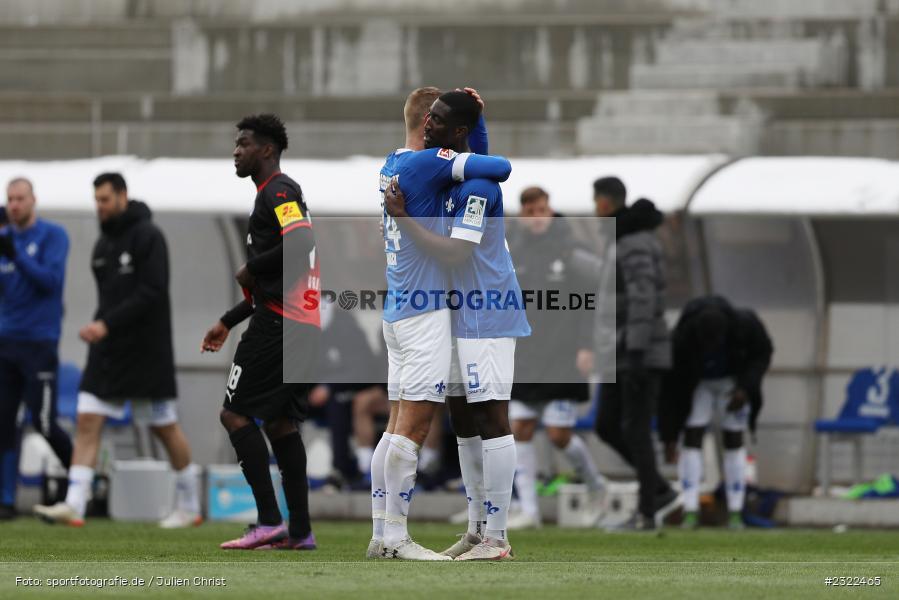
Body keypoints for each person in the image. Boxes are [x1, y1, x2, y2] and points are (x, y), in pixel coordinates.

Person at [385, 90, 527, 560]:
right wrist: (477, 112)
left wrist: (403, 220)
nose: (429, 124)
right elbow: (475, 150)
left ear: (458, 133)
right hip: (460, 311)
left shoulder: (479, 191)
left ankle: (497, 537)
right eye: (429, 116)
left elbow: (458, 252)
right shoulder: (455, 177)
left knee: (491, 416)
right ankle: (475, 529)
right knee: (464, 419)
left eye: (440, 121)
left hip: (487, 310)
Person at [34, 173, 200, 529]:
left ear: (123, 196)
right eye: (96, 200)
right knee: (87, 417)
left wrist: (107, 324)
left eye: (105, 199)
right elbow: (108, 298)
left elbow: (152, 291)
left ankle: (190, 504)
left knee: (164, 427)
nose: (100, 207)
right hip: (108, 350)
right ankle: (74, 503)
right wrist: (99, 326)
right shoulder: (102, 245)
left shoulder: (149, 236)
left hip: (145, 352)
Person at [201, 114, 321, 551]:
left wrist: (250, 266)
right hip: (298, 325)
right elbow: (277, 279)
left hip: (281, 326)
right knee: (279, 424)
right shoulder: (273, 195)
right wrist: (228, 321)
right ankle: (301, 531)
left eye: (244, 143)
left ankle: (270, 520)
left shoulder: (280, 190)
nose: (237, 150)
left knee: (234, 414)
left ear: (267, 150)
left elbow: (303, 242)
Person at [505, 186, 606, 529]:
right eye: (530, 211)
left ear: (551, 211)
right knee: (519, 428)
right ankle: (530, 511)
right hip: (526, 355)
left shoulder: (571, 250)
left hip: (562, 356)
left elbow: (591, 301)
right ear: (522, 214)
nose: (537, 217)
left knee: (559, 435)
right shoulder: (512, 250)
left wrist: (586, 345)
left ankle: (597, 486)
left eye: (542, 210)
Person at [590, 176, 680, 531]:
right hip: (620, 351)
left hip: (637, 350)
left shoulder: (634, 241)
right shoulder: (621, 238)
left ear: (605, 204)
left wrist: (639, 350)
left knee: (636, 429)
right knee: (607, 425)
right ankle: (659, 489)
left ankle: (648, 511)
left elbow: (645, 297)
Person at [660, 295, 773, 530]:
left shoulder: (745, 325)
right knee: (692, 437)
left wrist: (745, 388)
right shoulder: (681, 339)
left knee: (734, 439)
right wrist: (669, 434)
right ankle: (690, 510)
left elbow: (762, 354)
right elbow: (670, 389)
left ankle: (735, 512)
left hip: (732, 382)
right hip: (698, 382)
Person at [0, 178, 73, 520]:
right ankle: (6, 500)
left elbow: (50, 283)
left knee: (42, 422)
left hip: (39, 343)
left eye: (20, 198)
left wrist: (16, 256)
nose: (14, 204)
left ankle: (78, 488)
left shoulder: (52, 236)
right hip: (5, 343)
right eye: (9, 199)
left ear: (33, 201)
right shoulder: (4, 239)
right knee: (3, 424)